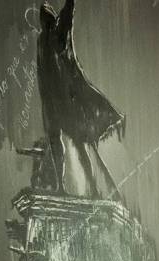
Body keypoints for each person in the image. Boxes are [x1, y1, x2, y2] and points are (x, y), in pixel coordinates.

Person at [37, 0, 125, 197]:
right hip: (51, 103)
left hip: (67, 100)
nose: (44, 20)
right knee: (55, 141)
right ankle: (61, 187)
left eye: (46, 16)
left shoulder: (60, 33)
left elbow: (68, 12)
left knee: (79, 141)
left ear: (52, 18)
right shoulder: (41, 40)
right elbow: (41, 72)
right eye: (42, 18)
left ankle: (92, 187)